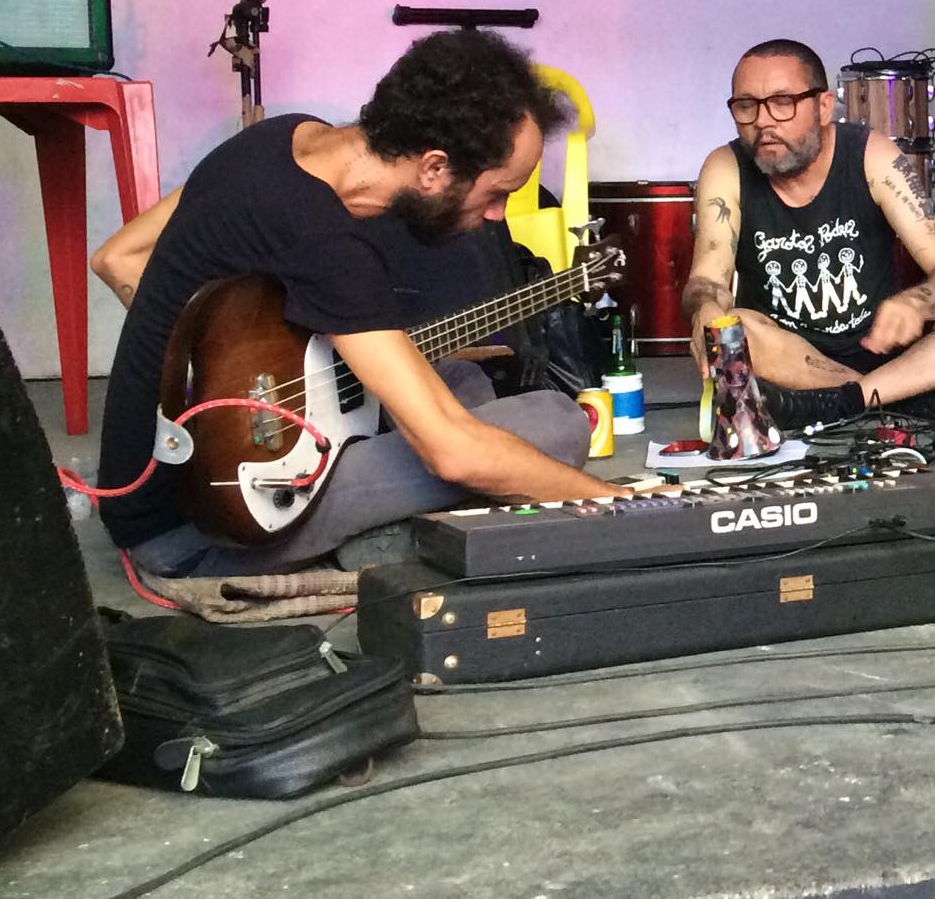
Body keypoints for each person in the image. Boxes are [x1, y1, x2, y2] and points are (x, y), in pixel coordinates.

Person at [91, 29, 625, 577]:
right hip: (199, 530)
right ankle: (385, 538)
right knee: (555, 423)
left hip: (161, 490)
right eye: (497, 193)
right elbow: (452, 452)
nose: (498, 215)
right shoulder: (325, 243)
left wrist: (230, 367)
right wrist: (624, 505)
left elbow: (117, 258)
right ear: (434, 167)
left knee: (464, 383)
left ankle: (387, 526)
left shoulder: (280, 138)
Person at [682, 39, 935, 428]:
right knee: (734, 325)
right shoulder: (725, 167)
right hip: (790, 360)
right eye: (746, 105)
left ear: (823, 107)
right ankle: (899, 397)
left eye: (783, 102)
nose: (763, 121)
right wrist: (706, 309)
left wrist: (916, 303)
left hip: (888, 353)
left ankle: (839, 403)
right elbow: (708, 279)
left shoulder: (873, 155)